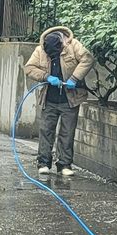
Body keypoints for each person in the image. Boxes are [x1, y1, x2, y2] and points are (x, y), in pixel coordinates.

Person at [23, 24, 92, 177]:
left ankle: (64, 165)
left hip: (70, 98)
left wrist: (74, 78)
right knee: (46, 131)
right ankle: (43, 163)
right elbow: (29, 68)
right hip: (49, 98)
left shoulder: (73, 45)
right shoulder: (41, 49)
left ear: (62, 45)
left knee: (67, 132)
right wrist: (47, 77)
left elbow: (87, 59)